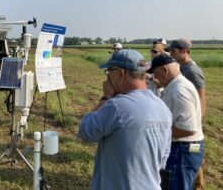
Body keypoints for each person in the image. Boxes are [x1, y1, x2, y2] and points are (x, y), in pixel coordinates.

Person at [78, 49, 172, 190]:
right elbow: (163, 158)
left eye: (109, 72)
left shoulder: (117, 106)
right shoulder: (163, 108)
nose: (107, 78)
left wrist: (106, 97)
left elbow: (85, 131)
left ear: (120, 73)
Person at [147, 53, 204, 190]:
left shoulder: (178, 90)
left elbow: (188, 128)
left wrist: (157, 131)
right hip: (185, 149)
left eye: (156, 73)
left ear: (164, 70)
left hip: (182, 151)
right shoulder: (176, 84)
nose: (155, 77)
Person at [166, 38, 206, 190]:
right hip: (187, 125)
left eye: (174, 51)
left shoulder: (192, 71)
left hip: (190, 131)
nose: (171, 54)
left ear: (184, 51)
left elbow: (201, 97)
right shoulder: (182, 68)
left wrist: (197, 121)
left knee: (188, 165)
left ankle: (198, 185)